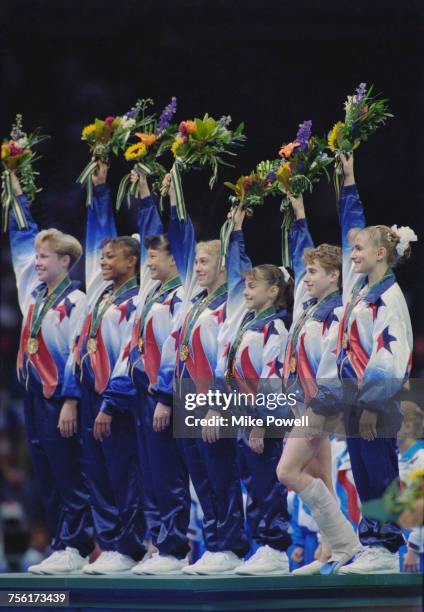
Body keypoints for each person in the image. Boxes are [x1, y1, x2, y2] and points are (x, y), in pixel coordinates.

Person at [7, 172, 94, 574]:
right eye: (38, 258)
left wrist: (72, 400)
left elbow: (79, 354)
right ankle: (62, 544)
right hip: (34, 397)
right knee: (45, 474)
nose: (36, 263)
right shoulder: (34, 296)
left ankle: (76, 544)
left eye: (45, 258)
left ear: (66, 261)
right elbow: (20, 243)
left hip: (61, 396)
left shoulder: (76, 301)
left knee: (67, 471)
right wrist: (16, 191)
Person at [164, 175, 250, 575]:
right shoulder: (193, 303)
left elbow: (223, 360)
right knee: (200, 478)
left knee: (221, 475)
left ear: (222, 269)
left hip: (213, 404)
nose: (196, 268)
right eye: (195, 261)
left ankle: (230, 547)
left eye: (204, 263)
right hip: (188, 401)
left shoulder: (226, 309)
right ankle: (215, 545)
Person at [335, 153, 416, 574]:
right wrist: (348, 180)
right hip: (354, 397)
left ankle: (385, 546)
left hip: (374, 401)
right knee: (365, 468)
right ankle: (373, 541)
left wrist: (370, 403)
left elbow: (391, 354)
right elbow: (350, 225)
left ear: (381, 252)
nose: (352, 254)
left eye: (359, 248)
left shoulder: (388, 297)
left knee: (379, 467)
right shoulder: (361, 293)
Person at [110, 170, 191, 575]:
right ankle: (158, 543)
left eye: (155, 256)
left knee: (169, 472)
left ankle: (176, 547)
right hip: (141, 389)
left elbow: (177, 348)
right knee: (149, 473)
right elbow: (150, 228)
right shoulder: (150, 292)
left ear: (174, 258)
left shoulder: (182, 295)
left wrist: (164, 396)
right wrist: (143, 191)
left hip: (168, 391)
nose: (148, 261)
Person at [277, 191, 361, 575]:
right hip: (304, 402)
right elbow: (300, 254)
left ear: (334, 276)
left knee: (287, 472)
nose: (305, 277)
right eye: (306, 272)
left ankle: (346, 542)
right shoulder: (308, 307)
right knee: (323, 478)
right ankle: (330, 551)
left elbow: (331, 363)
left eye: (313, 273)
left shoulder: (337, 311)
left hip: (320, 403)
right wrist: (299, 213)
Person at [75, 161, 147, 574]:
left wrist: (111, 402)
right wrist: (99, 190)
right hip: (90, 394)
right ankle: (110, 543)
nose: (103, 261)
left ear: (132, 262)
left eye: (111, 256)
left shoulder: (135, 301)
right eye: (101, 256)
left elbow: (128, 355)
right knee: (98, 473)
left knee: (125, 473)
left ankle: (129, 545)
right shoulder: (102, 297)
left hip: (117, 400)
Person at [214, 206, 292, 575]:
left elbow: (273, 382)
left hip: (263, 421)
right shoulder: (246, 323)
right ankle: (260, 545)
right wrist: (237, 228)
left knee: (267, 481)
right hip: (243, 417)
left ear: (273, 291)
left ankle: (275, 547)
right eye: (244, 284)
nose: (244, 290)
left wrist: (262, 423)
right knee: (250, 481)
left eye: (252, 285)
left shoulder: (274, 330)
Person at [398, 402, 424, 573]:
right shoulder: (399, 458)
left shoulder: (421, 457)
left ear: (407, 427)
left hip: (417, 549)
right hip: (403, 543)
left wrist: (414, 548)